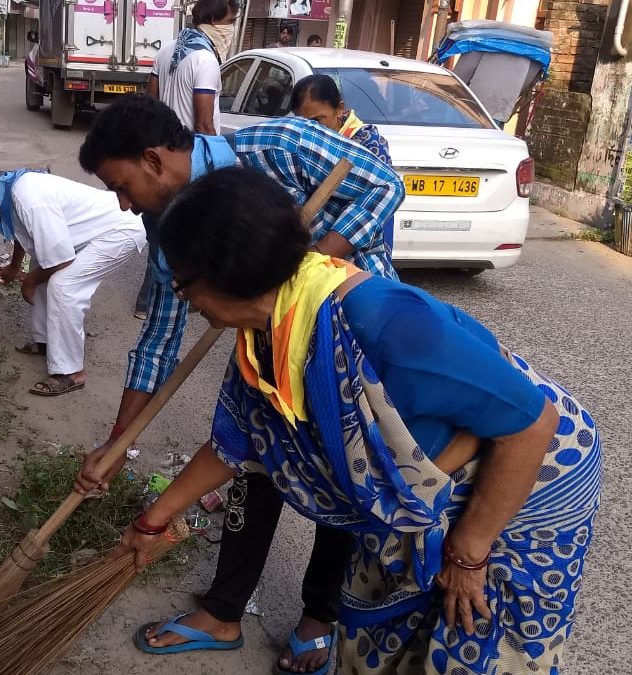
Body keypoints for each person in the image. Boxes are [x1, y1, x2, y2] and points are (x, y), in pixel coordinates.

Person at [121, 166, 601, 675]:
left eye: (181, 281)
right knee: (379, 635)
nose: (181, 296)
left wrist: (468, 551)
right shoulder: (267, 335)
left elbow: (532, 422)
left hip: (526, 481)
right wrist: (154, 519)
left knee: (469, 642)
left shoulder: (384, 322)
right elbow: (236, 444)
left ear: (225, 274)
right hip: (418, 492)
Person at [76, 95, 403, 672]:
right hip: (258, 334)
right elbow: (160, 337)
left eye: (122, 186)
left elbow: (384, 187)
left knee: (343, 467)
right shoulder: (167, 227)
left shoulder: (276, 146)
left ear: (153, 160)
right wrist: (118, 440)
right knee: (251, 454)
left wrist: (307, 265)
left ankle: (318, 619)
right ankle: (224, 610)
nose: (125, 206)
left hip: (345, 331)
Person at [0, 159, 146, 396]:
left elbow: (61, 261)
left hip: (121, 231)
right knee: (43, 265)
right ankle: (46, 342)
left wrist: (29, 281)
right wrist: (14, 266)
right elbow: (24, 232)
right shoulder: (6, 191)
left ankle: (71, 372)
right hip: (93, 231)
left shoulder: (28, 198)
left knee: (64, 286)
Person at [134, 0, 239, 321]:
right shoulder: (205, 60)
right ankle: (180, 301)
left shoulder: (167, 50)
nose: (231, 28)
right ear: (213, 20)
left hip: (160, 159)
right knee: (182, 236)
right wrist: (222, 172)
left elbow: (150, 105)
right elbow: (205, 125)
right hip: (190, 162)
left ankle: (146, 302)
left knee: (163, 232)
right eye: (230, 20)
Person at [290, 74, 396, 251]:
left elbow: (377, 204)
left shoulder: (367, 144)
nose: (310, 128)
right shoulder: (299, 143)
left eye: (317, 120)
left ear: (339, 109)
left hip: (356, 243)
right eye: (303, 122)